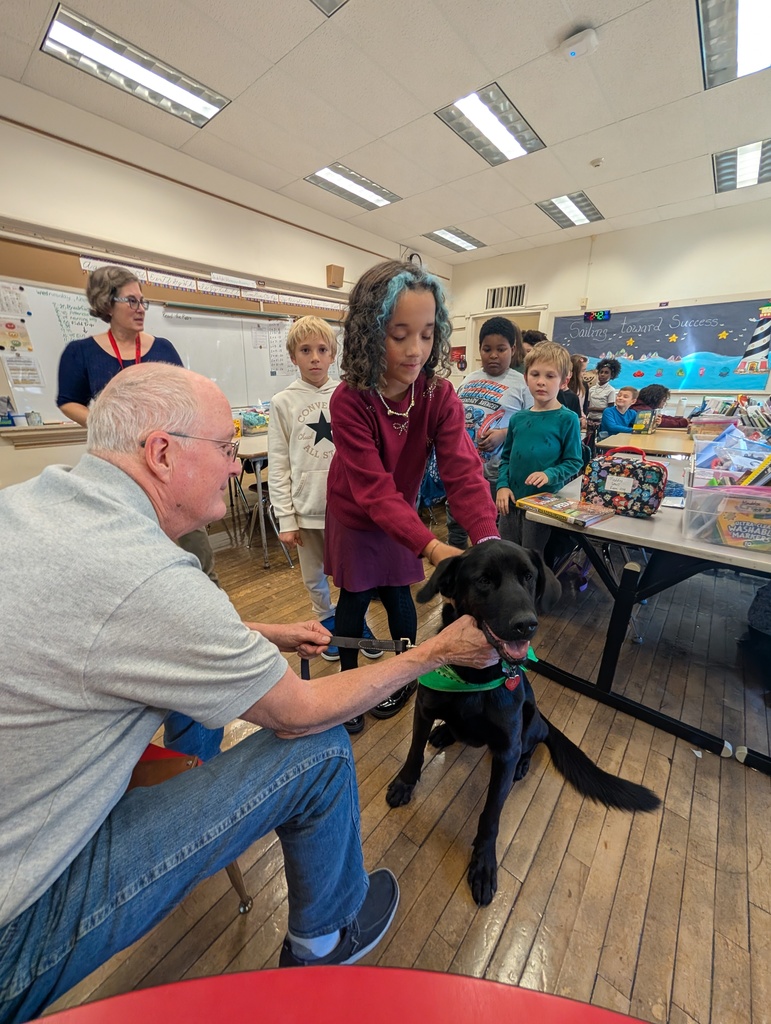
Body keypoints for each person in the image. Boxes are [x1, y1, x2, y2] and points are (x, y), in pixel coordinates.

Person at [0, 363, 497, 1021]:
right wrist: (437, 651)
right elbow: (295, 715)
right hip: (17, 925)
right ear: (162, 452)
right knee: (315, 749)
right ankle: (326, 936)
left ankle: (201, 782)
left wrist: (260, 633)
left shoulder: (29, 501)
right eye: (228, 448)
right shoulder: (149, 576)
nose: (238, 468)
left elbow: (117, 626)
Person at [56, 265, 223, 760]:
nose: (141, 306)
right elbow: (67, 401)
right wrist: (116, 425)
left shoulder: (163, 350)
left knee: (194, 556)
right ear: (107, 303)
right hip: (121, 468)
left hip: (165, 471)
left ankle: (206, 618)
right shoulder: (81, 353)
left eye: (143, 299)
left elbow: (185, 402)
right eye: (131, 299)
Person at [325, 260, 499, 733]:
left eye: (426, 334)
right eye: (398, 334)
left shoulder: (440, 395)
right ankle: (348, 683)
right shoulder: (349, 400)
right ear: (368, 333)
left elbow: (464, 472)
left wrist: (486, 541)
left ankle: (399, 676)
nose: (415, 350)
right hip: (359, 516)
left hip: (403, 517)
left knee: (401, 594)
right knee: (354, 599)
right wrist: (433, 545)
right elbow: (373, 491)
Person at [268, 316, 380, 663]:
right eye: (305, 350)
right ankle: (326, 619)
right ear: (293, 357)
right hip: (306, 510)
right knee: (313, 574)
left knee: (354, 573)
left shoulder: (350, 395)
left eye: (322, 350)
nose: (314, 357)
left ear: (333, 355)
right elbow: (279, 462)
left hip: (349, 509)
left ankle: (356, 620)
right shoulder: (282, 402)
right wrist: (286, 518)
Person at [446, 316, 532, 548]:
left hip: (495, 472)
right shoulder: (469, 379)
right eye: (487, 349)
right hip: (463, 468)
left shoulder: (523, 383)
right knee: (455, 521)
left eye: (501, 349)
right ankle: (454, 567)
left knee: (487, 527)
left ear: (513, 349)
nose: (493, 355)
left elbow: (532, 425)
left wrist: (504, 433)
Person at [496, 341, 583, 551]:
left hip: (541, 504)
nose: (541, 382)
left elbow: (574, 461)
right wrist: (502, 486)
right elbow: (506, 458)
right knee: (507, 555)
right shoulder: (517, 419)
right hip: (511, 503)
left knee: (532, 558)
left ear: (564, 381)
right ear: (526, 378)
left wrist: (550, 474)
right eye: (535, 374)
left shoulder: (567, 419)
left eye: (550, 376)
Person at [586, 357, 621, 429]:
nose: (602, 374)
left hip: (602, 420)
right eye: (601, 372)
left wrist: (594, 409)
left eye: (606, 373)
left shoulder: (611, 390)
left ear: (611, 376)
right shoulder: (591, 389)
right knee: (589, 439)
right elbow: (587, 404)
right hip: (590, 420)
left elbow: (610, 409)